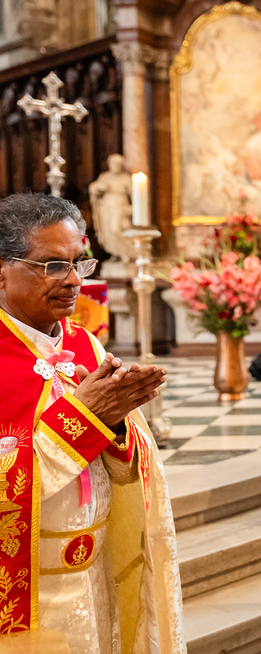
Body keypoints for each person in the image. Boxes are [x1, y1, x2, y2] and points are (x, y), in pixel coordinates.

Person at [0, 193, 184, 653]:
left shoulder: (85, 344)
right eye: (52, 266)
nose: (73, 280)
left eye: (78, 263)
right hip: (27, 596)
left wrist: (118, 426)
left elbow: (130, 470)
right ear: (2, 271)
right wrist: (82, 420)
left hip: (96, 574)